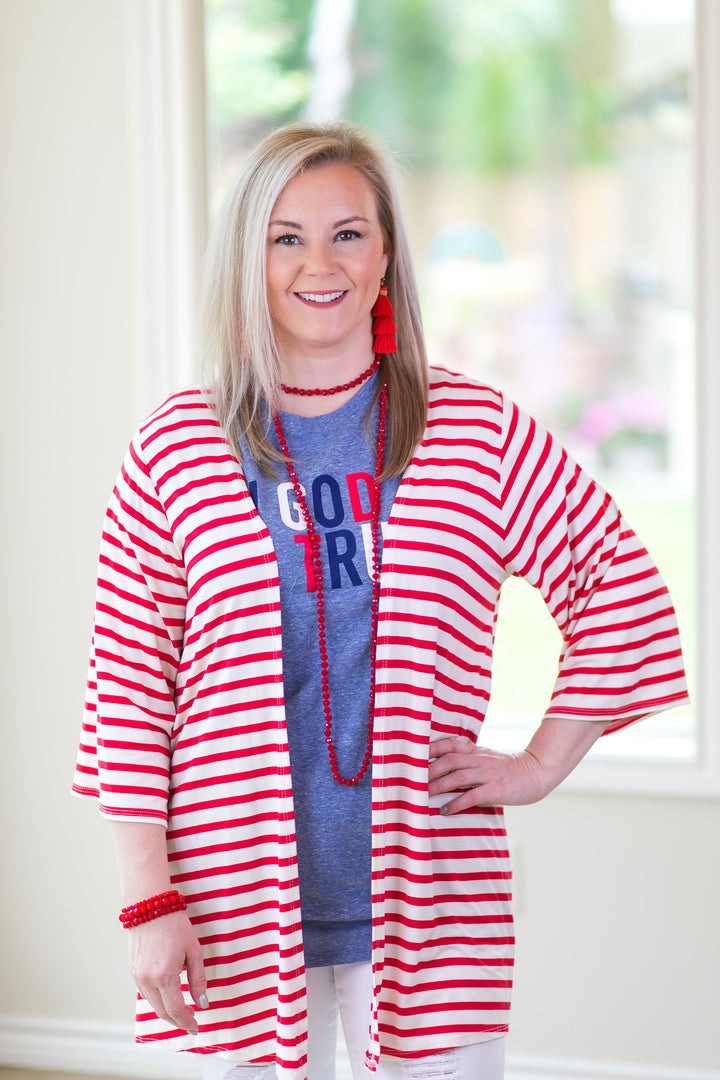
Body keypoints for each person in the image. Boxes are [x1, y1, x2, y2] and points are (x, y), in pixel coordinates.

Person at [73, 121, 689, 1080]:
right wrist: (147, 901)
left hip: (428, 893)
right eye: (287, 236)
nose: (321, 264)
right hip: (228, 900)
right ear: (249, 257)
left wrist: (538, 763)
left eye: (348, 232)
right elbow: (129, 690)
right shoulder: (177, 445)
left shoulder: (473, 430)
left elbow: (618, 584)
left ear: (388, 250)